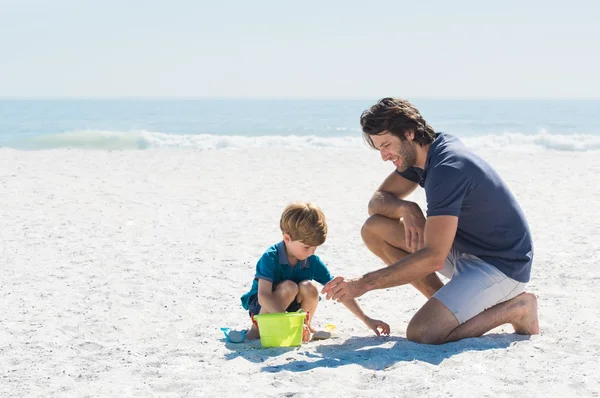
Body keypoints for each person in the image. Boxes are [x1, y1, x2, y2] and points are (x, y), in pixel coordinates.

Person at [321, 97, 539, 345]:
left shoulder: (447, 169)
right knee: (375, 229)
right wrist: (406, 207)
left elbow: (435, 257)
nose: (384, 156)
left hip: (500, 265)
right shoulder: (424, 153)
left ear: (408, 133)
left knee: (423, 333)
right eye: (378, 148)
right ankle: (446, 304)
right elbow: (377, 203)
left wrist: (363, 284)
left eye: (386, 145)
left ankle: (518, 308)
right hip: (463, 249)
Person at [240, 202, 390, 342]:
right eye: (306, 247)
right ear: (287, 238)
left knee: (309, 287)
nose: (311, 252)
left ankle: (306, 325)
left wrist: (366, 319)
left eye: (315, 247)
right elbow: (263, 296)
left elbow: (339, 290)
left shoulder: (311, 260)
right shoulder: (271, 257)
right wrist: (289, 322)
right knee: (289, 287)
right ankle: (257, 329)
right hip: (263, 308)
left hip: (290, 310)